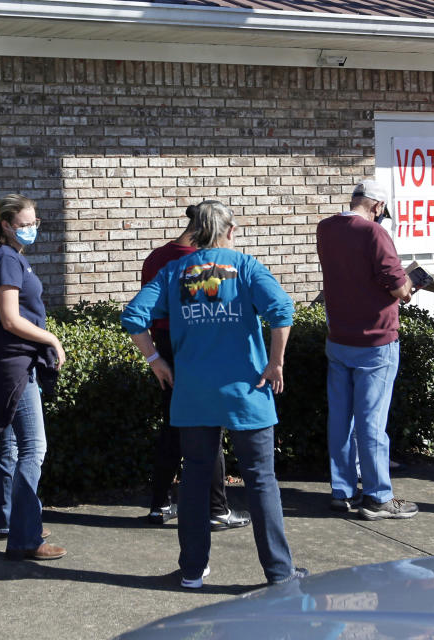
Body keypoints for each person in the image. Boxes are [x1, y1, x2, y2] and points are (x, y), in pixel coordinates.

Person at [121, 200, 306, 588]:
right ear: (231, 231)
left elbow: (133, 316)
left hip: (194, 393)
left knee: (194, 478)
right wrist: (276, 363)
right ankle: (278, 572)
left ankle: (192, 571)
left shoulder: (173, 271)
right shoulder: (246, 267)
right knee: (261, 480)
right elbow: (282, 311)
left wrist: (156, 360)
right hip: (246, 391)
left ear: (195, 232)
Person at [141, 205, 250, 532]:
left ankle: (159, 504)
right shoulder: (205, 264)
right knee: (209, 425)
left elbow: (142, 313)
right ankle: (216, 508)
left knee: (174, 424)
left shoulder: (156, 257)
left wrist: (153, 357)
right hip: (196, 345)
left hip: (163, 344)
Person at [316, 179, 419, 521]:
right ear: (377, 207)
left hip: (339, 337)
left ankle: (342, 490)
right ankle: (377, 496)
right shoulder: (376, 234)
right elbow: (397, 287)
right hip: (375, 340)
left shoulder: (326, 228)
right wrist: (410, 284)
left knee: (341, 420)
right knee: (372, 422)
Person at [0, 194, 66, 561]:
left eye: (34, 222)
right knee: (33, 448)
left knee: (11, 446)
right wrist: (52, 338)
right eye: (24, 224)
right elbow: (11, 319)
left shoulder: (10, 258)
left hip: (12, 363)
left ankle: (11, 522)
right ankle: (26, 538)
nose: (31, 229)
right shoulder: (7, 260)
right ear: (7, 225)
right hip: (16, 365)